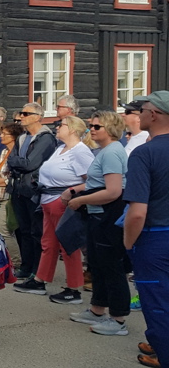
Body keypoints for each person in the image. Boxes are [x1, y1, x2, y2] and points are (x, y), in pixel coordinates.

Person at [65, 111, 132, 336]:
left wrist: (80, 200)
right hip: (99, 213)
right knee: (98, 263)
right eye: (91, 126)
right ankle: (97, 309)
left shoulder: (112, 152)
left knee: (111, 266)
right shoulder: (106, 151)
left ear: (110, 129)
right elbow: (97, 183)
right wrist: (76, 190)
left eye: (97, 127)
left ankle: (118, 318)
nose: (91, 130)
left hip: (108, 214)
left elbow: (113, 191)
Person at [123, 91, 169, 368]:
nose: (138, 114)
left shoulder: (145, 153)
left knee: (160, 311)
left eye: (142, 109)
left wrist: (129, 243)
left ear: (154, 114)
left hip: (156, 238)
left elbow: (137, 212)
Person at [15, 116, 92, 303]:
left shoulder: (80, 151)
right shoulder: (60, 148)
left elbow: (92, 180)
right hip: (48, 199)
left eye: (61, 125)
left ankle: (73, 288)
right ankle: (40, 280)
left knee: (68, 245)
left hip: (63, 201)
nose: (57, 127)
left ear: (72, 129)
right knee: (48, 243)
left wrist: (72, 191)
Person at [6, 101, 57, 280]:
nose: (21, 117)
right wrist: (17, 163)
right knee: (24, 231)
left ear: (37, 117)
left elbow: (30, 164)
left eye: (26, 114)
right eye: (22, 113)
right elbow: (11, 159)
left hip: (34, 190)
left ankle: (37, 269)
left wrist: (16, 163)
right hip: (19, 188)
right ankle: (26, 267)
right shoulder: (22, 137)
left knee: (37, 232)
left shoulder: (46, 138)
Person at [0, 121, 24, 270]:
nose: (1, 136)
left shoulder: (17, 154)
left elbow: (9, 178)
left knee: (5, 230)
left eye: (5, 134)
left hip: (7, 196)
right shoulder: (4, 151)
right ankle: (4, 259)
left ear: (13, 137)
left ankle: (16, 262)